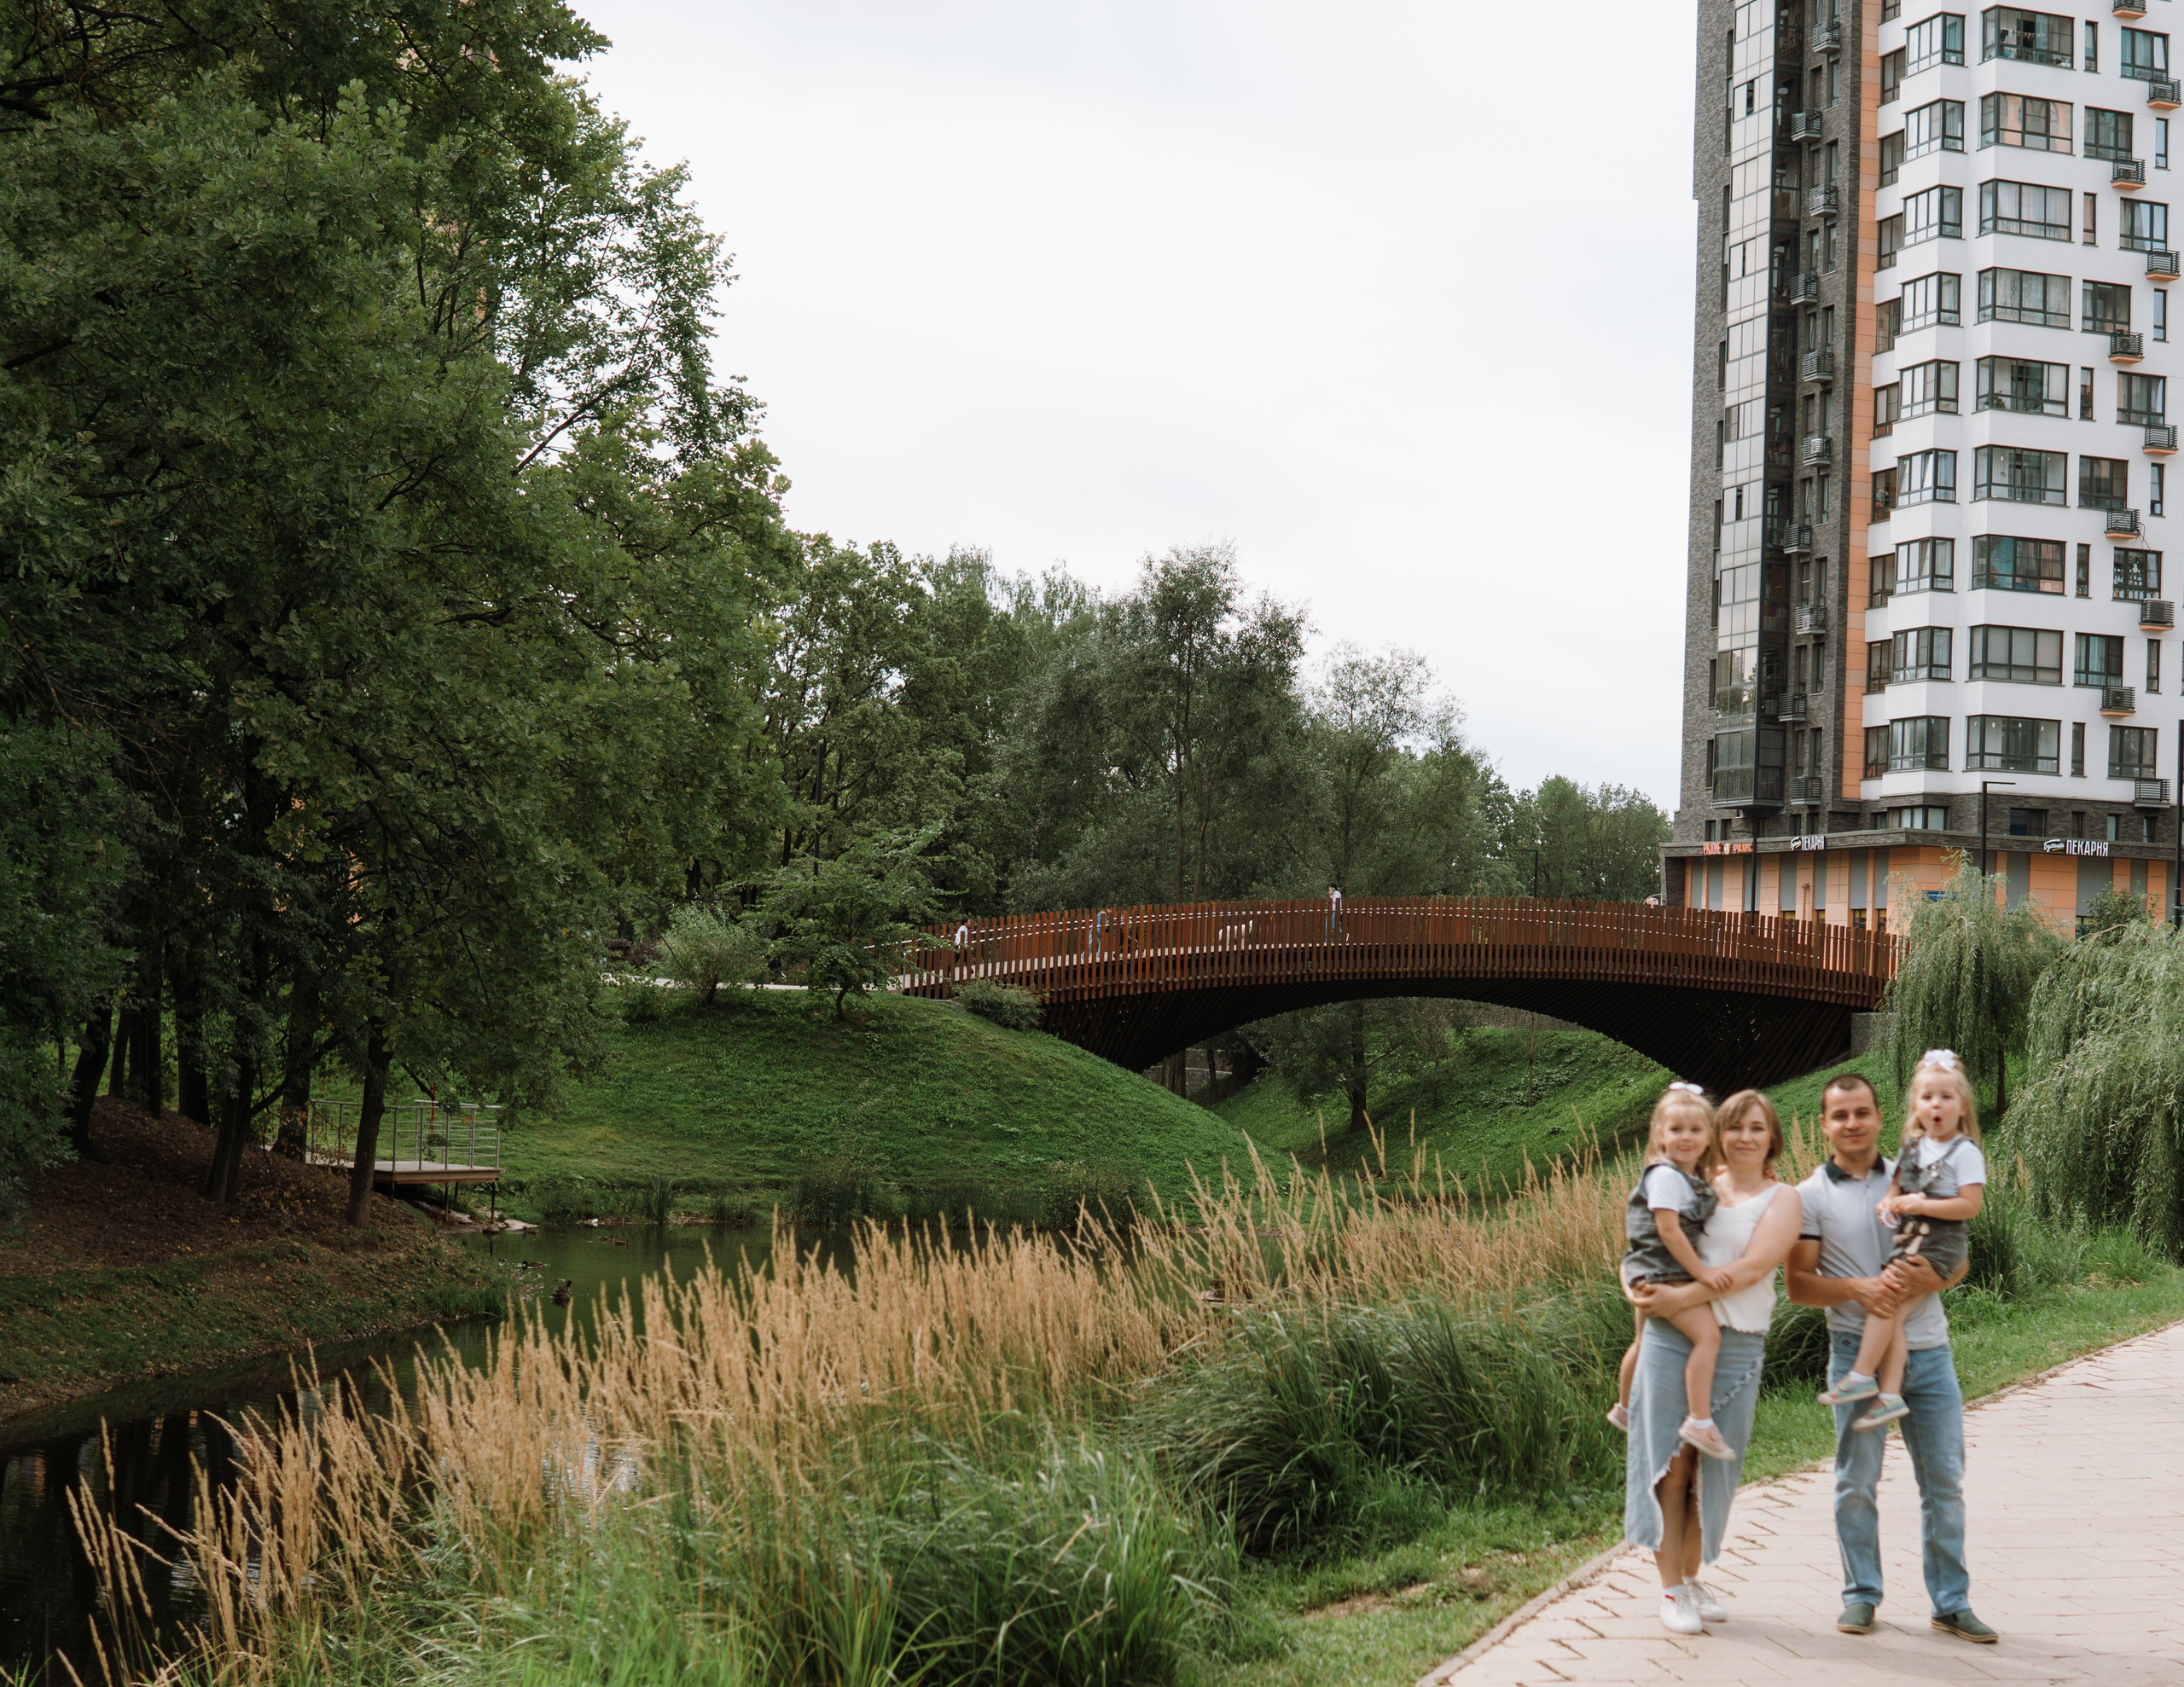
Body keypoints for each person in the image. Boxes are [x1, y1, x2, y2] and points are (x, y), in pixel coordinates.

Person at [1787, 1071, 1995, 1645]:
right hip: (1855, 1351)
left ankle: (1951, 1603)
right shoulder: (1810, 1195)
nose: (1852, 1123)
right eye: (1840, 1115)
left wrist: (1939, 1277)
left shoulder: (1922, 1171)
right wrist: (1860, 1289)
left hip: (1929, 1352)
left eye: (1861, 1112)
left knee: (1945, 1484)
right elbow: (1800, 1286)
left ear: (1880, 1117)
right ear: (1826, 1125)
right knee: (1856, 1483)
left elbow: (1959, 1259)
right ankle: (1860, 1596)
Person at [1623, 1087, 1804, 1635]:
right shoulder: (1694, 1185)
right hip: (1675, 1338)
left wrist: (1680, 1299)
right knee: (1672, 1469)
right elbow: (1646, 1242)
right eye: (1736, 1127)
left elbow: (1750, 1271)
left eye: (1757, 1128)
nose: (1745, 1137)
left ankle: (1691, 1574)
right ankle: (1671, 1588)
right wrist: (1638, 1286)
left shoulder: (1785, 1199)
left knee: (1710, 1475)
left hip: (1736, 1343)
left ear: (1771, 1137)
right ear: (1719, 1135)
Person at [1816, 1051, 1986, 1431]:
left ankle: (1863, 1376)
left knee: (1885, 1302)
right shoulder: (1913, 1145)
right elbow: (1897, 1184)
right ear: (1916, 1106)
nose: (1936, 1105)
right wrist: (1889, 1202)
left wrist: (1922, 1203)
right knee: (1891, 1310)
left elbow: (1969, 1206)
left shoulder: (1965, 1152)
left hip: (1938, 1243)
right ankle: (1889, 1395)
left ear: (1962, 1107)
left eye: (1946, 1097)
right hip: (1910, 1237)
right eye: (1927, 1098)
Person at [1611, 1084, 1734, 1462]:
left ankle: (1625, 1408)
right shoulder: (1665, 1177)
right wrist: (1703, 1273)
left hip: (1646, 1270)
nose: (1686, 1137)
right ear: (1660, 1135)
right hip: (1664, 1271)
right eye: (1676, 1129)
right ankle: (1699, 1420)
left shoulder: (1684, 1177)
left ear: (1708, 1137)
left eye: (1695, 1130)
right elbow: (1668, 1230)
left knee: (1644, 1340)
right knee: (1708, 1336)